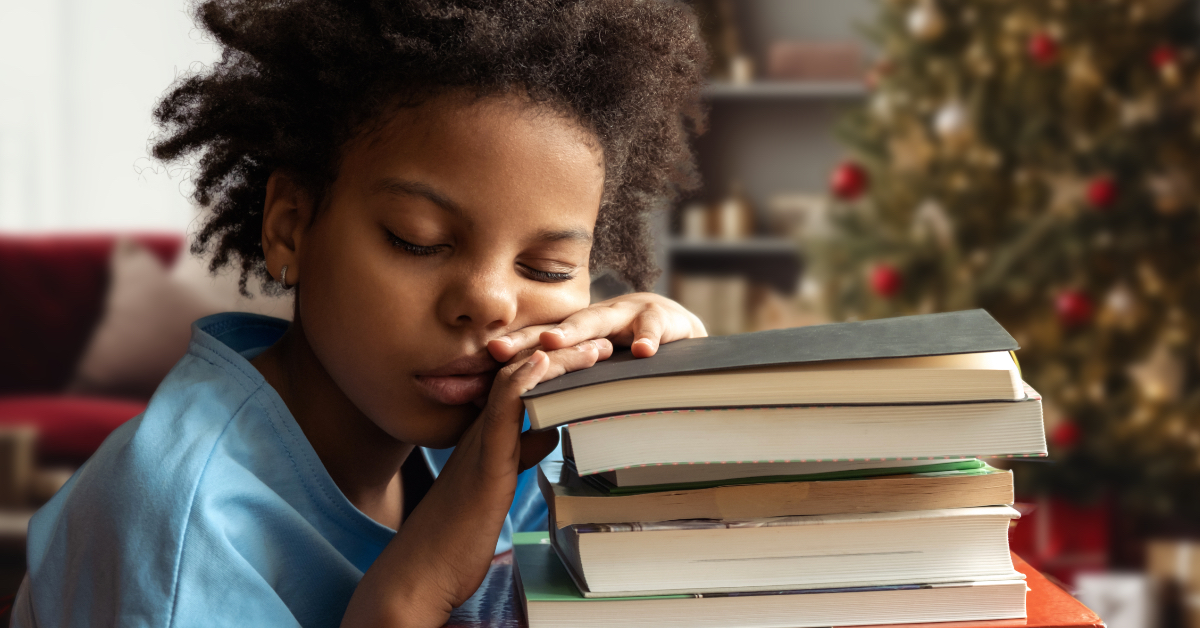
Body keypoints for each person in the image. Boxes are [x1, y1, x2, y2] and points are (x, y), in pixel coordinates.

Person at [12, 0, 709, 626]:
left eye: (547, 269)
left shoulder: (502, 434)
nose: (493, 303)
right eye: (419, 239)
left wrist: (648, 407)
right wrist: (410, 597)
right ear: (290, 227)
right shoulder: (179, 518)